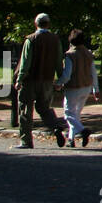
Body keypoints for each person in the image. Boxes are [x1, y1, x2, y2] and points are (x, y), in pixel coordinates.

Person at [14, 13, 67, 149]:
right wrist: (60, 80)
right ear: (48, 24)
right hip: (47, 81)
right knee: (44, 108)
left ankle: (26, 141)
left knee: (25, 110)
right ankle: (55, 126)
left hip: (30, 81)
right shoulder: (55, 40)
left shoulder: (31, 40)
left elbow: (26, 62)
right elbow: (58, 62)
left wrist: (19, 79)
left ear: (35, 23)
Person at [58, 29, 99, 147]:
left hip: (73, 87)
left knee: (68, 114)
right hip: (86, 87)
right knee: (76, 114)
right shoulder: (88, 54)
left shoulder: (70, 55)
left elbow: (67, 74)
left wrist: (59, 83)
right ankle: (71, 139)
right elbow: (93, 72)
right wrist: (96, 89)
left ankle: (83, 130)